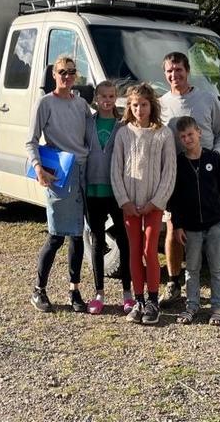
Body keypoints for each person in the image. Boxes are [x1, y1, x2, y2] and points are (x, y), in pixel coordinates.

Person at [158, 51, 220, 310]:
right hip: (178, 177)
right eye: (169, 71)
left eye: (178, 70)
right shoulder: (162, 104)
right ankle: (173, 283)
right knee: (173, 227)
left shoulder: (206, 99)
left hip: (207, 174)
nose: (174, 75)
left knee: (217, 230)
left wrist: (216, 155)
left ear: (187, 71)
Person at [27, 54, 99, 313]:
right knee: (56, 235)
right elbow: (31, 141)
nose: (67, 76)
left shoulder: (81, 105)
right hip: (59, 175)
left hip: (82, 173)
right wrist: (38, 168)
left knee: (78, 236)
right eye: (62, 72)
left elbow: (93, 133)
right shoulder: (45, 103)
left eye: (71, 72)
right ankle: (39, 289)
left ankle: (74, 291)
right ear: (54, 75)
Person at [111, 82, 176, 325]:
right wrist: (124, 201)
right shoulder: (123, 134)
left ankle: (153, 301)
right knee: (134, 251)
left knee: (150, 250)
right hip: (130, 205)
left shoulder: (163, 134)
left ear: (152, 106)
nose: (140, 109)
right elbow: (116, 170)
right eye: (135, 105)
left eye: (144, 105)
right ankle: (138, 300)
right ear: (130, 106)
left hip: (153, 205)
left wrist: (156, 202)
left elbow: (169, 172)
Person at [169, 116, 220, 326]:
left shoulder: (213, 158)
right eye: (183, 136)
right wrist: (178, 225)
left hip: (215, 223)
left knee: (217, 268)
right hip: (191, 226)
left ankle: (217, 308)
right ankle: (192, 306)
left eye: (190, 134)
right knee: (192, 268)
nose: (188, 139)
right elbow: (175, 198)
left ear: (199, 133)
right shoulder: (179, 162)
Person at [84, 80, 133, 315]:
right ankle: (99, 293)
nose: (107, 100)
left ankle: (127, 293)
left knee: (123, 240)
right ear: (96, 98)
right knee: (97, 241)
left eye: (111, 96)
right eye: (103, 96)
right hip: (92, 190)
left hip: (116, 191)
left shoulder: (122, 126)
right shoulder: (88, 124)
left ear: (116, 98)